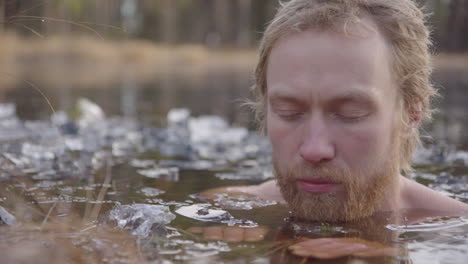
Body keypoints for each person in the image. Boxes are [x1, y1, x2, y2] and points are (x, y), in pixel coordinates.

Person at [205, 0, 468, 222]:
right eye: (288, 112)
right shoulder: (226, 209)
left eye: (351, 113)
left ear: (411, 114)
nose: (314, 150)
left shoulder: (455, 228)